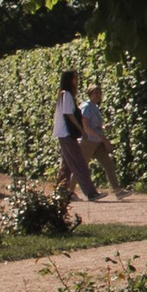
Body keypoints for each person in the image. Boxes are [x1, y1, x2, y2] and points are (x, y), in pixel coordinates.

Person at [53, 70, 95, 200]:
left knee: (67, 166)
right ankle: (91, 192)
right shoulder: (67, 95)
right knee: (79, 163)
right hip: (67, 133)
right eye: (74, 78)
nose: (77, 81)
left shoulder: (63, 95)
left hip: (63, 134)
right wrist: (81, 130)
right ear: (69, 80)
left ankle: (61, 192)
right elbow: (69, 114)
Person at [79, 82, 117, 197]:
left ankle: (118, 190)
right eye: (96, 92)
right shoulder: (86, 107)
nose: (98, 95)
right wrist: (102, 138)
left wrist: (104, 127)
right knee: (81, 167)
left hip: (97, 141)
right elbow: (86, 126)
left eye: (100, 92)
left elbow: (96, 125)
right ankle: (69, 191)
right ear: (90, 93)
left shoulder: (95, 107)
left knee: (108, 164)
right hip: (89, 141)